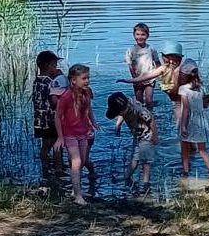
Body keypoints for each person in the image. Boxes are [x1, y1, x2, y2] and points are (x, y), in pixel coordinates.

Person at [54, 64, 96, 205]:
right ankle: (78, 195)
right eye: (84, 78)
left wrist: (93, 123)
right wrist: (60, 137)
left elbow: (88, 108)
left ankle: (75, 189)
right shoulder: (66, 96)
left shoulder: (87, 92)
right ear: (73, 80)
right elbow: (57, 116)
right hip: (69, 134)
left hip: (82, 132)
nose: (87, 81)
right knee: (76, 162)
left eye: (88, 78)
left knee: (82, 161)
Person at [105, 91, 159, 196]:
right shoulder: (124, 106)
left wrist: (155, 136)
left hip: (147, 136)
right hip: (137, 135)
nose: (119, 115)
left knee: (146, 161)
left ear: (124, 109)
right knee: (135, 158)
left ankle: (146, 183)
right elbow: (122, 115)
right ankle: (127, 177)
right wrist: (118, 125)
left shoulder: (138, 110)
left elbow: (151, 119)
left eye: (119, 113)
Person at [176, 65, 209, 184]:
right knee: (202, 150)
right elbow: (203, 104)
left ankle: (185, 173)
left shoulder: (183, 89)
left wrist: (183, 126)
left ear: (184, 76)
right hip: (201, 121)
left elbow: (186, 109)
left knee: (185, 149)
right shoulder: (200, 87)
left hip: (190, 121)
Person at [31, 49, 63, 175]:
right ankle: (59, 170)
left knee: (45, 145)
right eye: (54, 65)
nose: (56, 67)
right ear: (48, 66)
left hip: (39, 119)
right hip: (51, 119)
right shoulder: (51, 82)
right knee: (57, 145)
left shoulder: (37, 81)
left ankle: (45, 168)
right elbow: (55, 101)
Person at [125, 23, 161, 107]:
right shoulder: (131, 50)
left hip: (150, 79)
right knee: (139, 102)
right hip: (137, 79)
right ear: (134, 35)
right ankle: (140, 114)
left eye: (143, 34)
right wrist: (135, 79)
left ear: (147, 36)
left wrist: (161, 76)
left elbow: (157, 63)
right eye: (137, 34)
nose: (140, 37)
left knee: (149, 101)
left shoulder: (151, 49)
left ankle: (150, 113)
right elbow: (130, 66)